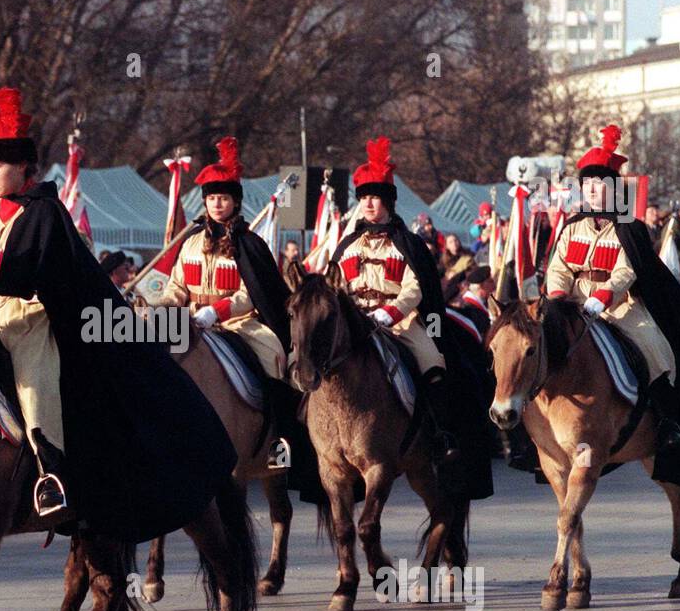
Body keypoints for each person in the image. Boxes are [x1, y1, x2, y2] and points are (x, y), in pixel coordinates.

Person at [0, 87, 236, 531]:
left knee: (35, 382)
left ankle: (49, 467)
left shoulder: (47, 211)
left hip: (36, 317)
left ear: (22, 167)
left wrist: (7, 267)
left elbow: (46, 271)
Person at [546, 124, 680, 487]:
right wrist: (560, 301)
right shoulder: (570, 227)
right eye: (589, 185)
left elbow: (628, 269)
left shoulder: (630, 227)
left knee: (658, 350)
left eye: (601, 185)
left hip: (620, 308)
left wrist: (602, 298)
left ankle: (667, 422)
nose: (594, 191)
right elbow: (558, 267)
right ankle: (533, 432)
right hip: (574, 307)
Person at [151, 137, 300, 469]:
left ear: (235, 201)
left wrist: (215, 311)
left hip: (237, 324)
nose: (217, 204)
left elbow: (251, 295)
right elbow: (176, 287)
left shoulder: (250, 244)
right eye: (212, 198)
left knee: (275, 357)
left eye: (224, 198)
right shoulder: (188, 243)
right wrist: (161, 309)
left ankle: (280, 441)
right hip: (188, 323)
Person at [329, 137, 461, 463]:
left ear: (387, 201)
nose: (369, 204)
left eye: (375, 198)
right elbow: (335, 287)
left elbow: (414, 287)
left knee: (433, 362)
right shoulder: (347, 245)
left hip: (400, 323)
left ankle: (440, 433)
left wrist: (389, 313)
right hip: (356, 323)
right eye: (364, 198)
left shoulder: (408, 243)